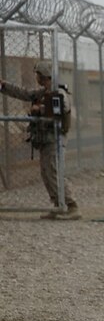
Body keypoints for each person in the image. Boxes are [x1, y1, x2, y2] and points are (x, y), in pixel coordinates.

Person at [0, 61, 79, 219]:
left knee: (53, 171)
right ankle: (59, 205)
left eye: (38, 74)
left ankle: (71, 206)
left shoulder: (59, 92)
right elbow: (25, 93)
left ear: (44, 76)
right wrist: (4, 86)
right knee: (46, 173)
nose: (36, 77)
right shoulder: (44, 92)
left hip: (55, 139)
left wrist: (40, 109)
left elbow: (61, 109)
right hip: (46, 139)